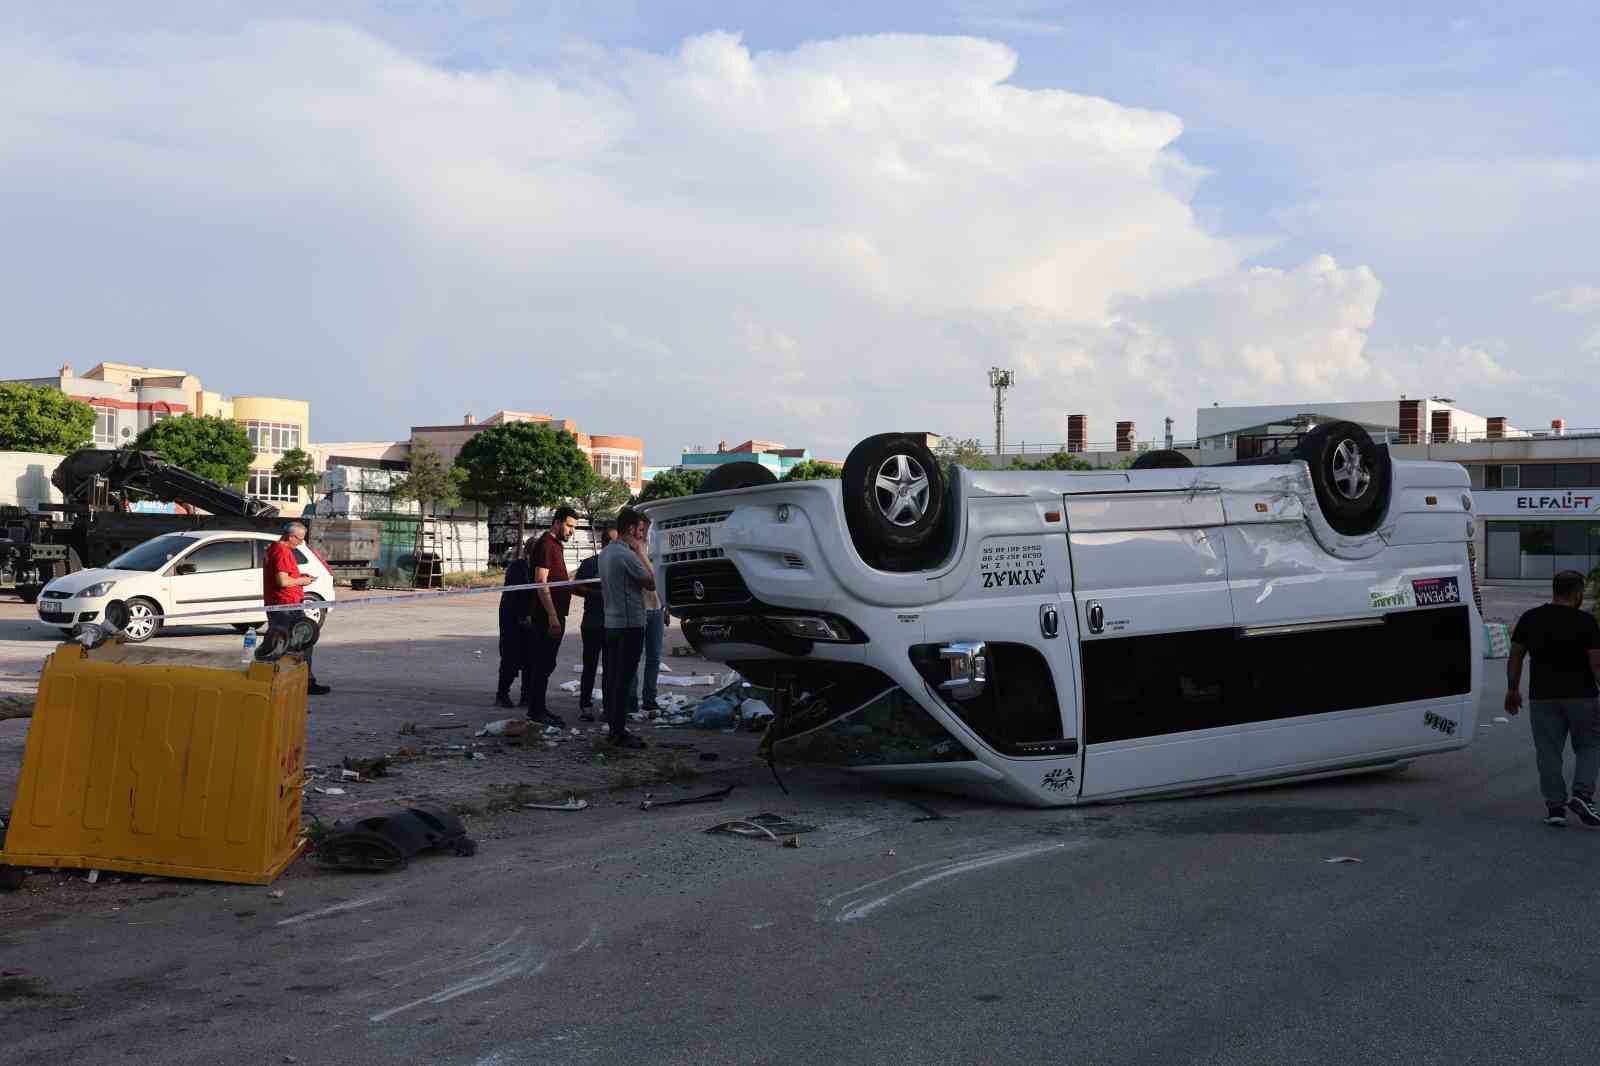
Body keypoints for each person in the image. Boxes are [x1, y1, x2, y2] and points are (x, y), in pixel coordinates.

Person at [1506, 569, 1600, 827]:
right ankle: (1582, 794)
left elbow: (1515, 656)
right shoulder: (1586, 622)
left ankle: (1556, 808)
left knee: (1548, 752)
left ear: (1554, 590)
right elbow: (1596, 665)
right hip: (1582, 696)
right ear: (1578, 593)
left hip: (1543, 697)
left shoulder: (1531, 618)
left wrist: (1512, 690)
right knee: (1589, 745)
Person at [600, 507, 656, 749]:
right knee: (623, 679)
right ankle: (618, 732)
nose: (642, 535)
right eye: (640, 530)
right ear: (631, 529)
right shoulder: (626, 554)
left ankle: (614, 728)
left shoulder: (606, 552)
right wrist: (640, 554)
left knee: (613, 678)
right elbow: (651, 581)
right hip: (629, 623)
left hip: (611, 622)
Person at [525, 506, 578, 727]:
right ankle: (536, 711)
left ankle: (539, 708)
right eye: (569, 525)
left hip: (553, 614)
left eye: (574, 527)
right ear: (557, 522)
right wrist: (553, 616)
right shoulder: (547, 545)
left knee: (546, 664)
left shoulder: (555, 545)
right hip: (547, 617)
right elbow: (541, 581)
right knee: (542, 664)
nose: (571, 531)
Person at [264, 521, 330, 695]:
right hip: (287, 606)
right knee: (303, 642)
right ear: (290, 536)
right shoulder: (283, 551)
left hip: (280, 605)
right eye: (300, 539)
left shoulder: (273, 548)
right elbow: (282, 581)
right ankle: (305, 682)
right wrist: (303, 581)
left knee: (282, 643)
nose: (301, 543)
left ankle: (283, 681)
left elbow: (284, 576)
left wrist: (299, 576)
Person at [572, 521, 618, 722]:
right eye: (610, 541)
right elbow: (576, 587)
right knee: (590, 666)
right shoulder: (590, 564)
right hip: (592, 623)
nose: (613, 545)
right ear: (603, 542)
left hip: (613, 624)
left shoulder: (620, 564)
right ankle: (585, 706)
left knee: (610, 667)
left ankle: (609, 707)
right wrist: (597, 594)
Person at [494, 537, 536, 709]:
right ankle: (502, 694)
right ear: (529, 552)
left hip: (530, 620)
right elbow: (517, 595)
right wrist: (522, 616)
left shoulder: (535, 568)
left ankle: (526, 696)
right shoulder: (518, 567)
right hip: (513, 620)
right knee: (510, 660)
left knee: (529, 660)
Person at [638, 516, 668, 715]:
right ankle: (630, 699)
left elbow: (662, 576)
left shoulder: (655, 546)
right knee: (633, 657)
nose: (645, 530)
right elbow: (651, 579)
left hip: (656, 608)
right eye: (643, 527)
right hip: (638, 609)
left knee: (654, 657)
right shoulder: (632, 549)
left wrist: (666, 607)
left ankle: (649, 698)